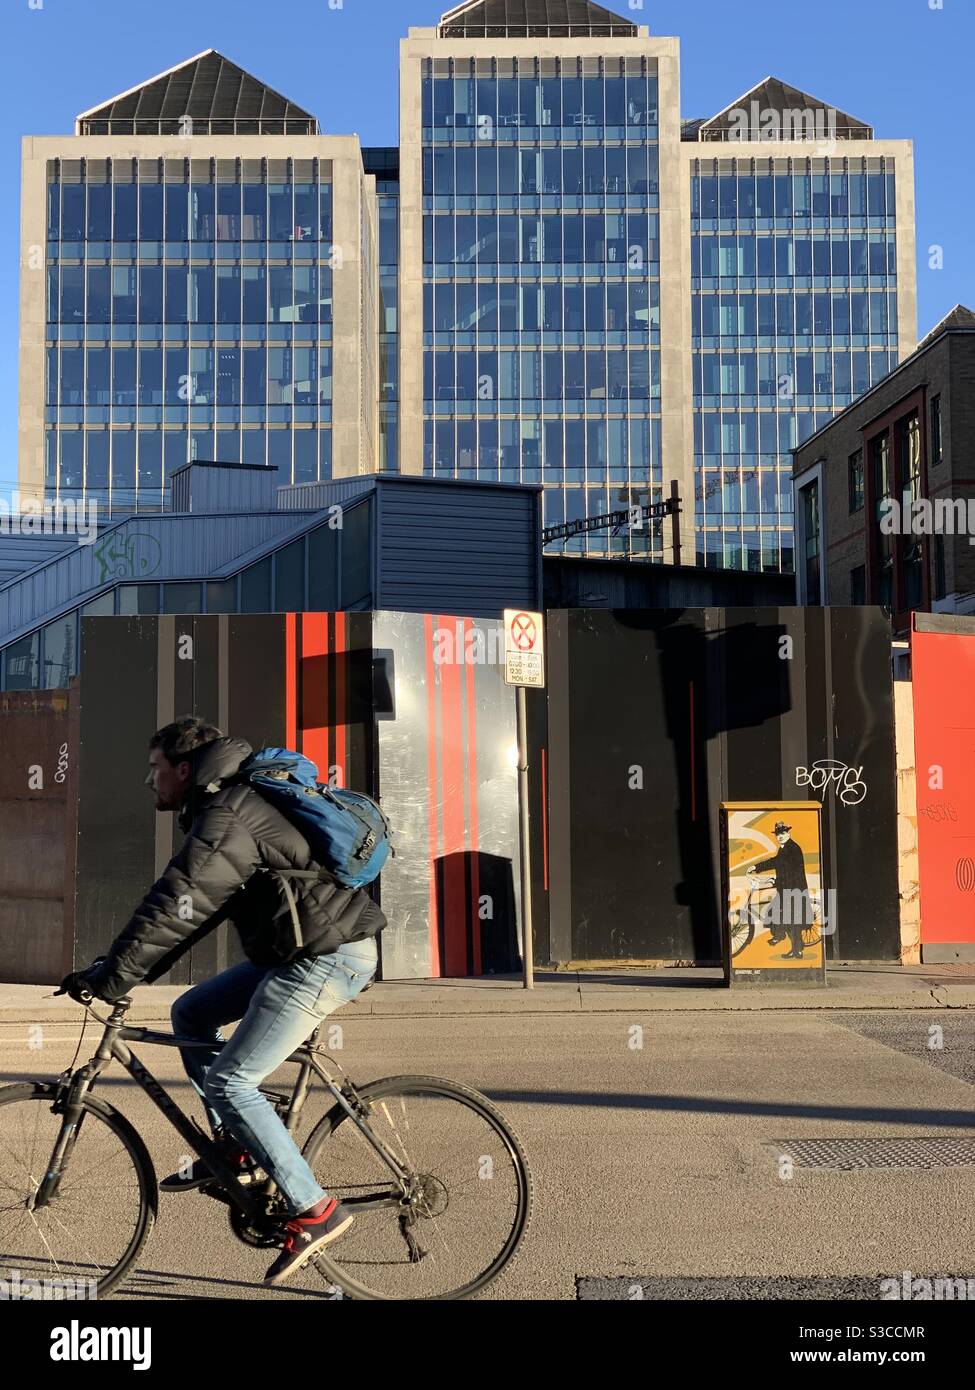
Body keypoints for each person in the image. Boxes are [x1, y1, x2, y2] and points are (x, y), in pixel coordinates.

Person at [59, 716, 387, 1287]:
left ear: (184, 769)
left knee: (231, 1081)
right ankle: (239, 1149)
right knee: (191, 1014)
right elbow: (187, 916)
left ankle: (315, 1210)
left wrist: (114, 980)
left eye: (155, 768)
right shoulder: (225, 808)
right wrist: (114, 970)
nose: (150, 781)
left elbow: (176, 904)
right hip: (295, 951)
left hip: (327, 956)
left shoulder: (230, 812)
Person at [748, 821, 812, 959]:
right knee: (775, 912)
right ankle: (780, 936)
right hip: (786, 888)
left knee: (792, 921)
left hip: (794, 890)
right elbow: (777, 862)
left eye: (783, 833)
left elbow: (786, 868)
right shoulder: (784, 849)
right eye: (778, 834)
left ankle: (796, 949)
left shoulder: (793, 848)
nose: (780, 836)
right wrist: (757, 867)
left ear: (788, 833)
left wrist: (763, 872)